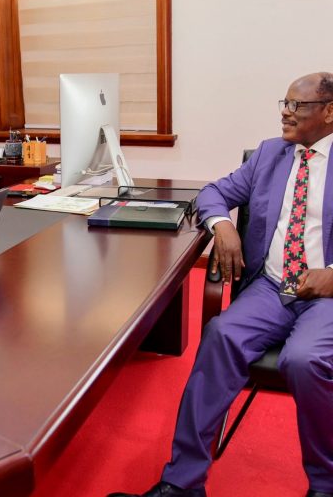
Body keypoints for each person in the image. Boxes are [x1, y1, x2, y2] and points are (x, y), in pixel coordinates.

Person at [108, 72, 333, 497]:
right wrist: (222, 227)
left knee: (303, 361)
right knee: (219, 335)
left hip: (325, 296)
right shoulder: (270, 154)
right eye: (283, 103)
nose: (285, 114)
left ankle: (325, 484)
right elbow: (213, 192)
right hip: (271, 286)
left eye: (296, 106)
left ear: (329, 111)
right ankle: (183, 482)